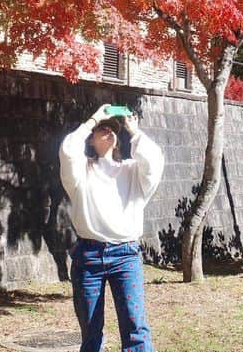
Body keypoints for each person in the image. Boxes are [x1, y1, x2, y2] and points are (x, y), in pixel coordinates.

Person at [59, 104, 165, 352]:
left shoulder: (131, 171)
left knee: (135, 328)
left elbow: (153, 162)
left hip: (126, 256)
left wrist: (134, 130)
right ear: (91, 140)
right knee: (91, 331)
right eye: (100, 129)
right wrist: (93, 118)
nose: (107, 131)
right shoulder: (80, 173)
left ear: (118, 140)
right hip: (88, 256)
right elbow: (67, 150)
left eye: (112, 129)